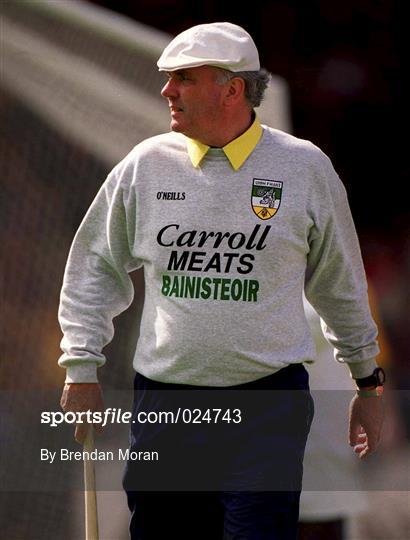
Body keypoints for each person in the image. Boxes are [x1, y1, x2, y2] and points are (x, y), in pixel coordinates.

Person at [58, 22, 384, 540]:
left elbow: (340, 285)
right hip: (165, 403)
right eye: (169, 78)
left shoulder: (304, 168)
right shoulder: (144, 165)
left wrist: (366, 382)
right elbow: (93, 266)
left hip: (268, 407)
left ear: (232, 88)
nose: (167, 91)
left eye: (184, 78)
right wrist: (81, 365)